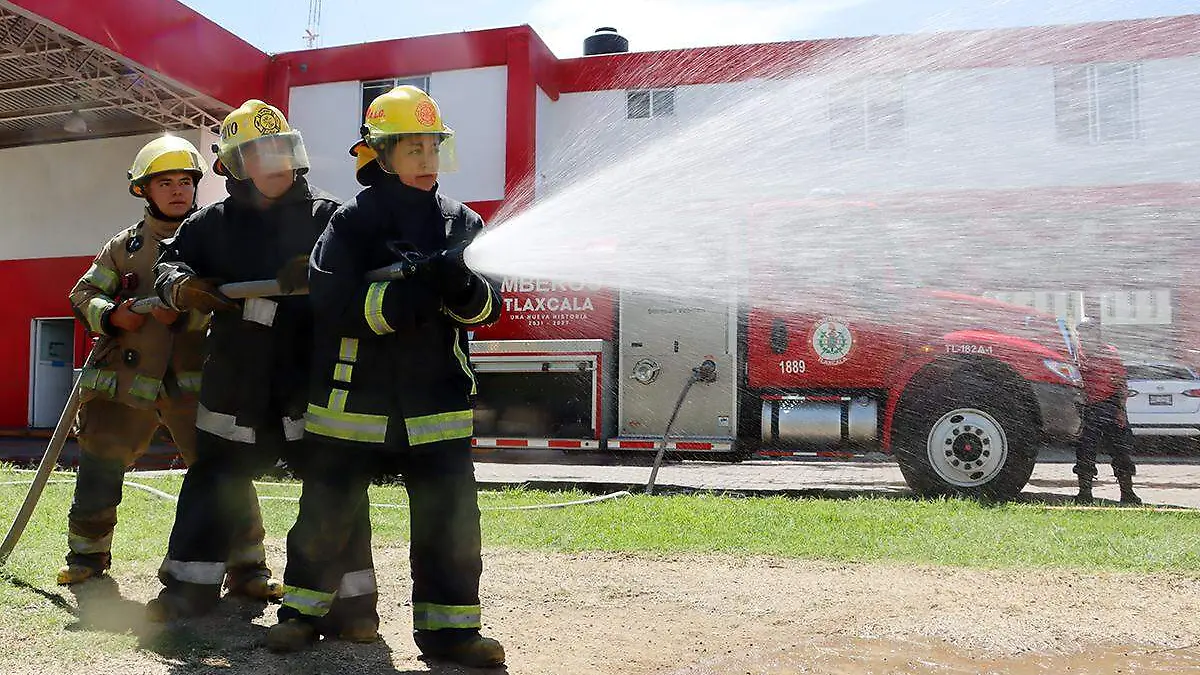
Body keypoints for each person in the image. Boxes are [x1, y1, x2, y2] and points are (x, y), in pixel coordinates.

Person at [266, 86, 504, 668]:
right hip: (354, 400)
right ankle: (302, 615)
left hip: (436, 403)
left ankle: (452, 634)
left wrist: (462, 288)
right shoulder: (350, 224)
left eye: (434, 148)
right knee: (327, 514)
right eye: (413, 150)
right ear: (382, 155)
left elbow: (487, 310)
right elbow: (334, 305)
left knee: (450, 524)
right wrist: (407, 297)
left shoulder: (461, 222)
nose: (427, 162)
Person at [146, 100, 340, 620]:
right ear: (235, 165)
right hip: (237, 374)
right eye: (259, 152)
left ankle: (333, 601)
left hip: (307, 373)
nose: (274, 161)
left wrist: (325, 273)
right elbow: (170, 263)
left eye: (281, 147)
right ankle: (188, 588)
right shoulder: (212, 224)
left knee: (329, 483)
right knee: (215, 477)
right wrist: (182, 287)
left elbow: (361, 275)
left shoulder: (331, 217)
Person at [59, 135, 275, 588]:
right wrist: (113, 316)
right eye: (166, 183)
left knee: (222, 469)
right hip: (123, 380)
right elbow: (83, 294)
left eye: (186, 181)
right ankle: (87, 557)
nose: (178, 191)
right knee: (100, 463)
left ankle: (248, 566)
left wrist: (189, 307)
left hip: (196, 382)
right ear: (144, 189)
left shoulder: (215, 237)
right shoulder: (124, 247)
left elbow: (239, 297)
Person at [1074, 318, 1141, 505]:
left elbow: (1121, 383)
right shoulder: (1075, 354)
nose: (1084, 336)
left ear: (1096, 333)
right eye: (1081, 332)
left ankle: (1127, 493)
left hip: (1111, 406)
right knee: (1085, 452)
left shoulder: (1110, 353)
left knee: (1122, 453)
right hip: (1087, 409)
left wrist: (1120, 411)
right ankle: (1084, 494)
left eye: (1088, 332)